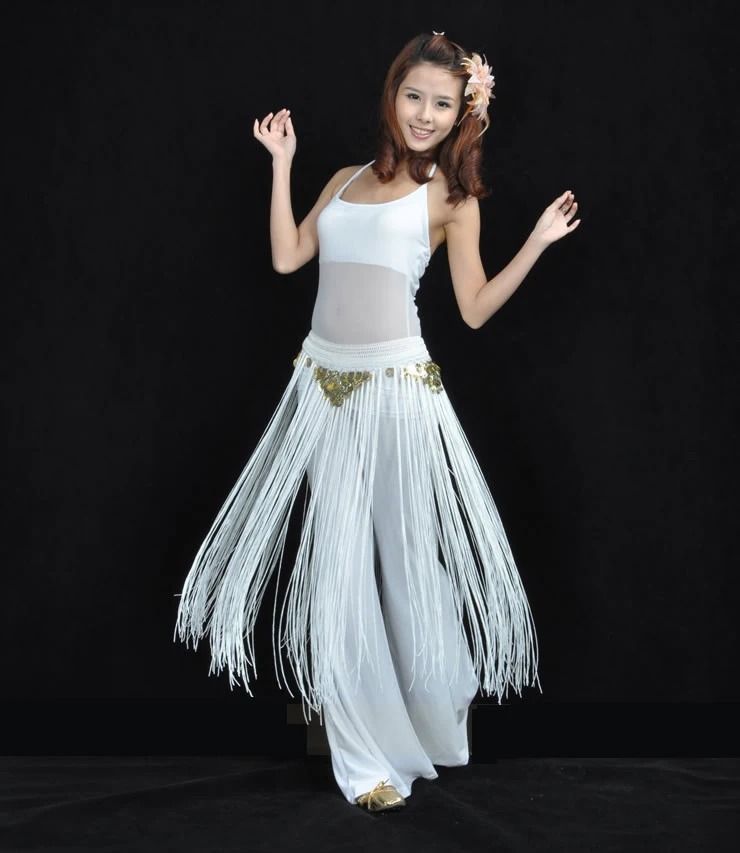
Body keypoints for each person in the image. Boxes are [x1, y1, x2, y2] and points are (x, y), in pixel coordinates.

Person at [174, 32, 580, 812]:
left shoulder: (451, 199)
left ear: (464, 113)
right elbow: (288, 258)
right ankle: (363, 760)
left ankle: (427, 721)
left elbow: (473, 309)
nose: (425, 114)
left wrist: (534, 242)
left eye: (442, 103)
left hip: (397, 392)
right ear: (392, 96)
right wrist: (283, 164)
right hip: (323, 391)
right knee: (340, 568)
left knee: (405, 561)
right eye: (413, 96)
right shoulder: (343, 179)